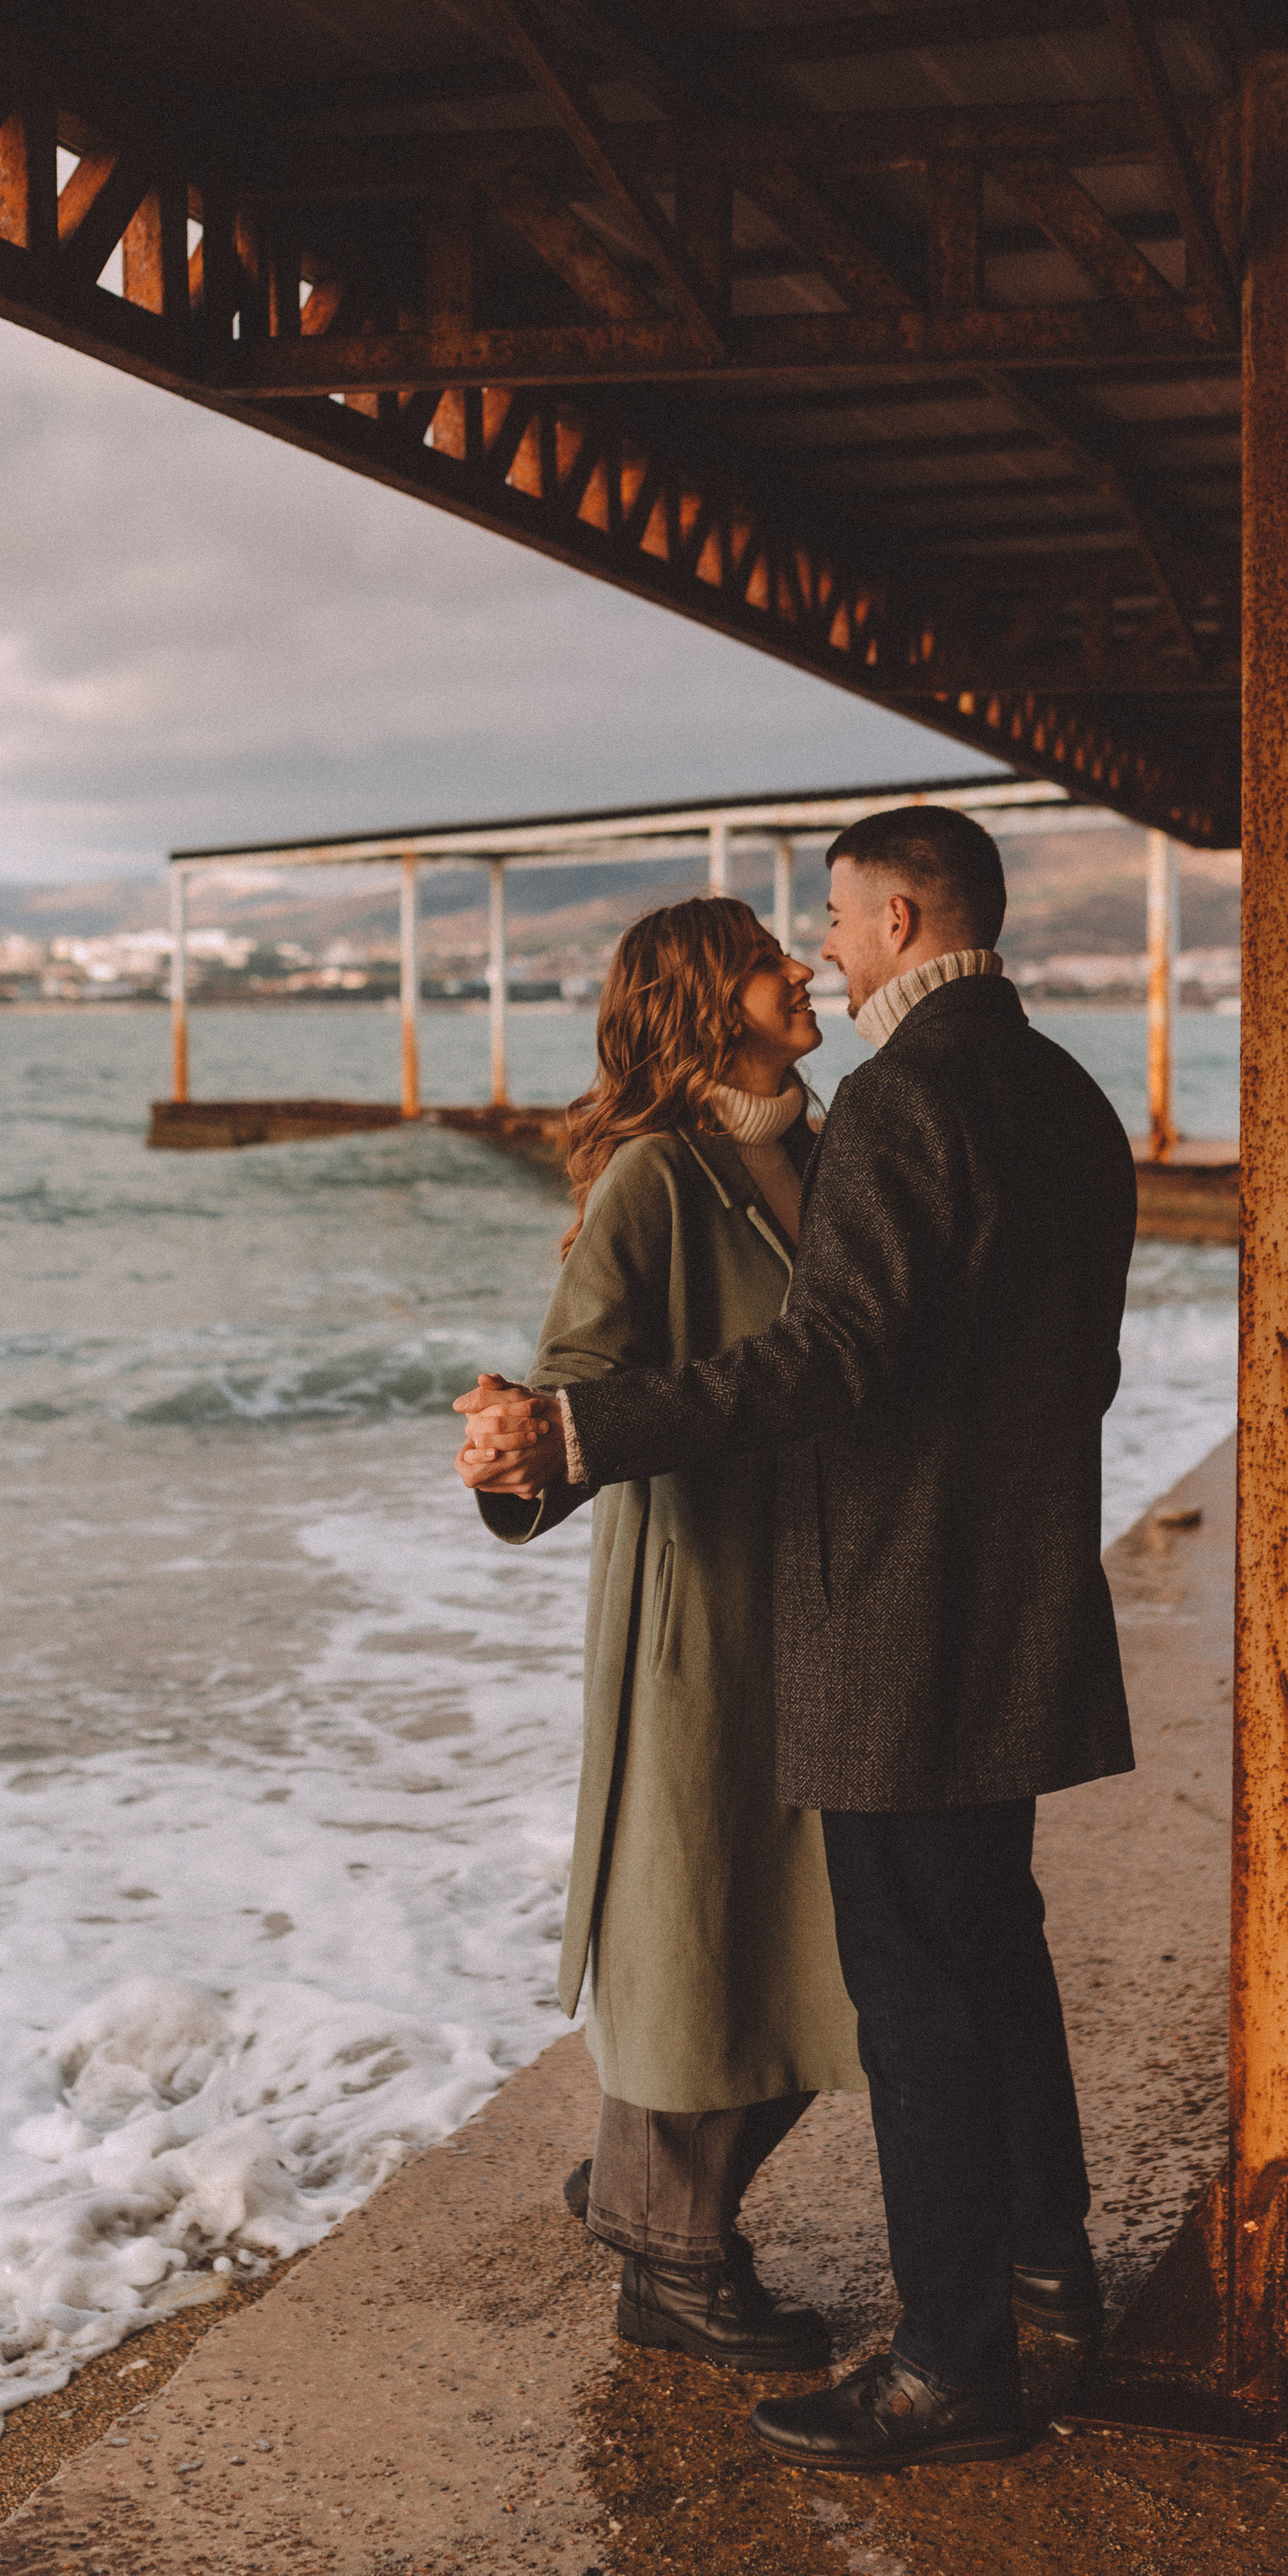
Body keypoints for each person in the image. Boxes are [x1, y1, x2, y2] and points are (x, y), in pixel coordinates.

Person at [458, 806, 1137, 2473]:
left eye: (828, 920)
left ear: (899, 917)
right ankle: (1036, 2269)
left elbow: (832, 1360)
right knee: (971, 1944)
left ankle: (950, 2359)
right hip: (992, 1593)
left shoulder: (893, 1106)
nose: (816, 949)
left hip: (893, 1610)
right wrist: (546, 1442)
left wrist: (577, 1430)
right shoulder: (1065, 1094)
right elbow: (1064, 1369)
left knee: (911, 1984)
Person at [469, 894, 865, 2375]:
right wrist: (516, 1452)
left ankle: (641, 2193)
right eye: (774, 957)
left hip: (841, 1588)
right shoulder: (657, 1176)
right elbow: (577, 1386)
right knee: (700, 1926)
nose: (806, 966)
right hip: (701, 1602)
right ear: (713, 997)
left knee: (836, 1941)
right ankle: (673, 2255)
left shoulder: (834, 1153)